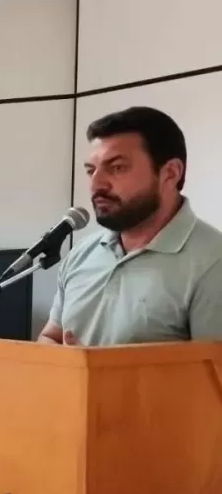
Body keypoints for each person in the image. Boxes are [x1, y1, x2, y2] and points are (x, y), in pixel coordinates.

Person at [40, 107, 222, 347]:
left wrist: (96, 367)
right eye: (91, 170)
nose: (96, 185)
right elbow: (50, 336)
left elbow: (213, 369)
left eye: (117, 168)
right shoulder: (82, 253)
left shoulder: (213, 262)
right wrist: (65, 359)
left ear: (170, 173)